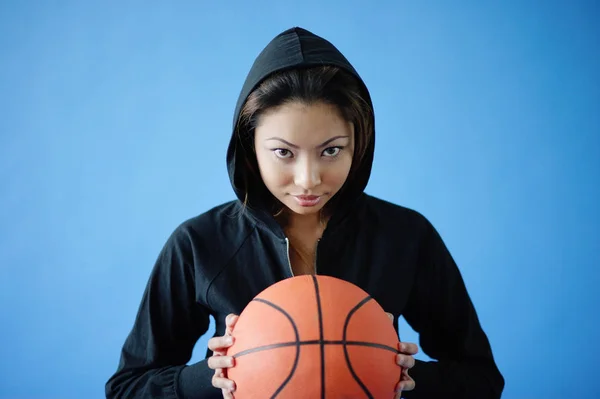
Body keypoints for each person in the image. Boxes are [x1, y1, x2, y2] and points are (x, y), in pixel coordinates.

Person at [105, 27, 504, 399]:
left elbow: (482, 378)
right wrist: (210, 377)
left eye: (331, 150)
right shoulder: (198, 243)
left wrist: (402, 375)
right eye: (283, 152)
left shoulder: (406, 236)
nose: (308, 179)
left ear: (358, 145)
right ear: (249, 150)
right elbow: (126, 387)